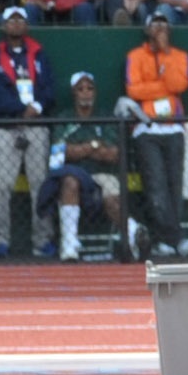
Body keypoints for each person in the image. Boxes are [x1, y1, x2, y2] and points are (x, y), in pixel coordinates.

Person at [0, 5, 56, 259]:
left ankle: (42, 240)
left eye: (20, 20)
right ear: (3, 25)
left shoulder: (39, 53)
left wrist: (36, 107)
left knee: (39, 184)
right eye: (10, 20)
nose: (15, 24)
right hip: (5, 126)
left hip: (36, 125)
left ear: (26, 25)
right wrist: (20, 110)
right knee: (2, 185)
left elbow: (48, 88)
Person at [122, 13, 188, 255]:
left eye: (163, 24)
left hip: (173, 126)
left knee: (174, 185)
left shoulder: (181, 56)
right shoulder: (135, 56)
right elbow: (133, 90)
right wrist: (162, 87)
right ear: (146, 30)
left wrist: (164, 59)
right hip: (147, 129)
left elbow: (178, 86)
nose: (160, 28)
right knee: (155, 185)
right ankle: (175, 239)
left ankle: (168, 240)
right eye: (155, 24)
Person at [42, 72, 127, 262]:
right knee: (70, 181)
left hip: (103, 175)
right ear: (74, 93)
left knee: (113, 197)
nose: (86, 93)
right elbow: (60, 154)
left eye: (89, 89)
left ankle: (133, 236)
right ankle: (69, 245)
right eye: (81, 89)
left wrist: (79, 149)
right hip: (76, 176)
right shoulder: (64, 119)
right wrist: (94, 146)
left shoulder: (105, 117)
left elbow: (113, 154)